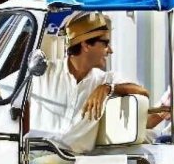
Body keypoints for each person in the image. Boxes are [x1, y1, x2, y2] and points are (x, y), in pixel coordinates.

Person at [28, 11, 148, 155]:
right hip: (31, 159)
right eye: (105, 43)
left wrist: (108, 89)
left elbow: (142, 91)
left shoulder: (105, 80)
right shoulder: (45, 72)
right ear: (85, 45)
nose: (110, 50)